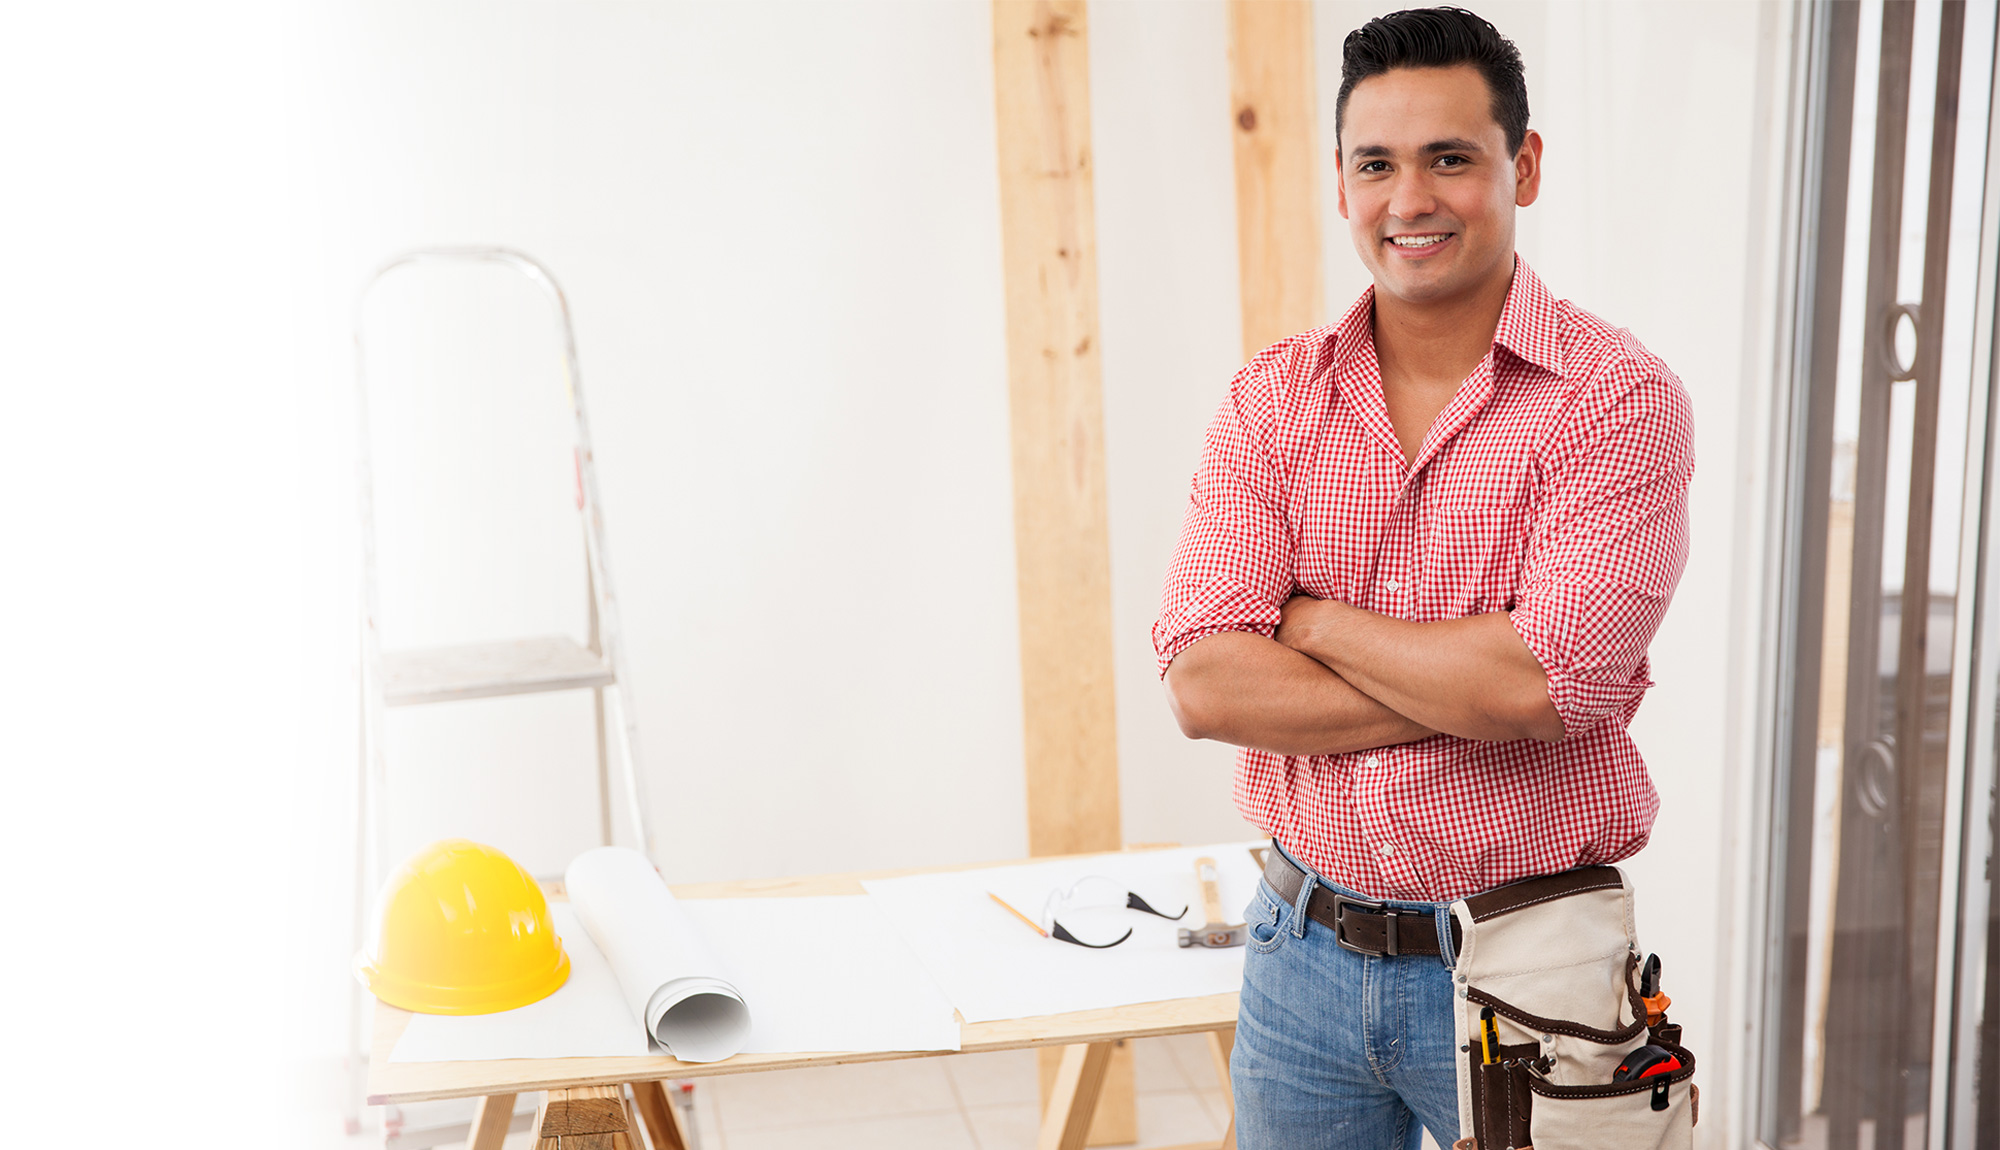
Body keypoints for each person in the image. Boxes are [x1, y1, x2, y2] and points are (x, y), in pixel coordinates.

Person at [1151, 7, 1693, 1147]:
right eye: (1376, 164)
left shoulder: (1616, 402)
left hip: (1526, 961)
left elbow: (1545, 687)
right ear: (1340, 184)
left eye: (1449, 158)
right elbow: (1204, 684)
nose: (1409, 199)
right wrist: (1467, 671)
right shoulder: (1274, 398)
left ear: (1522, 166)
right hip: (1297, 956)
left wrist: (1305, 620)